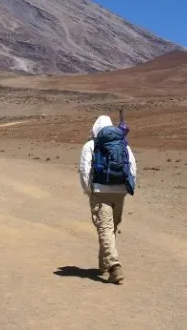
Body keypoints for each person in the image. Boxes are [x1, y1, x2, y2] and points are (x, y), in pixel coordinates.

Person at [78, 115, 137, 284]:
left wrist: (88, 190)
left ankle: (113, 266)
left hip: (100, 190)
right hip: (120, 190)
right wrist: (128, 187)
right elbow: (132, 165)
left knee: (105, 227)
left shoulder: (91, 144)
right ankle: (104, 264)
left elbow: (84, 169)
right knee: (111, 228)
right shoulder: (123, 144)